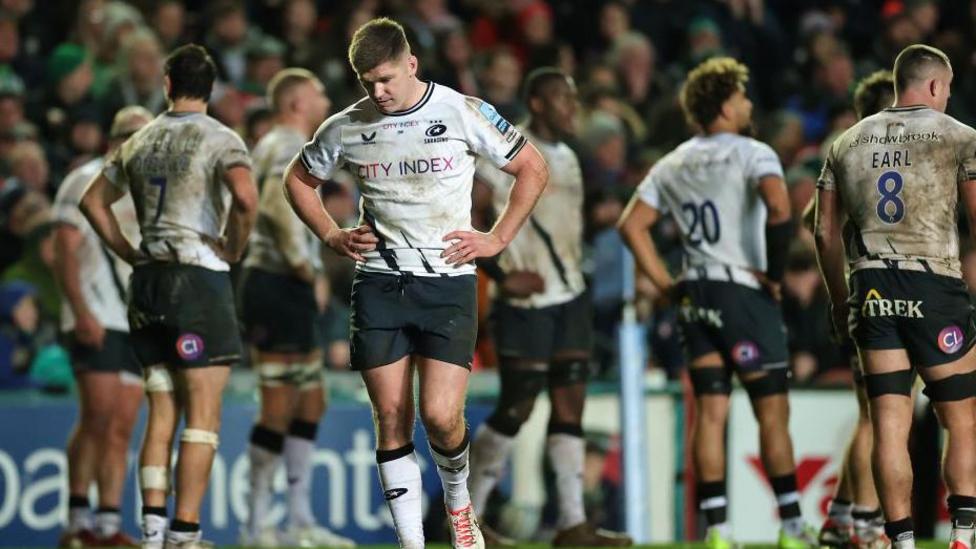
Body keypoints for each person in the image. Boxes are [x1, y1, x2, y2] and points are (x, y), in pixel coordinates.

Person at [282, 17, 548, 549]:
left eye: (385, 79)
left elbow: (532, 168)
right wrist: (332, 234)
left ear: (411, 64)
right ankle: (412, 542)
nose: (377, 91)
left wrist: (496, 238)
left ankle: (459, 504)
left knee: (442, 417)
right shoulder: (347, 125)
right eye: (367, 82)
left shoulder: (461, 110)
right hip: (379, 284)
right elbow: (298, 178)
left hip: (447, 282)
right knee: (391, 416)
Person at [617, 57, 815, 549]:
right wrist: (773, 276)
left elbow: (631, 225)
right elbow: (780, 208)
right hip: (742, 292)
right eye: (742, 96)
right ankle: (792, 528)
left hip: (695, 293)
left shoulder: (673, 162)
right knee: (771, 411)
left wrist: (667, 285)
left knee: (710, 413)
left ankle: (718, 532)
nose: (748, 104)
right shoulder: (754, 152)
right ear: (726, 105)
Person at [80, 44, 257, 548]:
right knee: (201, 416)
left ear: (166, 85)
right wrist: (234, 247)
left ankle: (153, 531)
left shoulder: (138, 140)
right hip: (196, 283)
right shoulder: (220, 137)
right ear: (212, 87)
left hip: (148, 285)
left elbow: (93, 202)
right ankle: (185, 532)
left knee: (161, 411)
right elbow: (246, 198)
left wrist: (127, 250)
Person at [814, 44, 976, 549]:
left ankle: (900, 541)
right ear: (934, 85)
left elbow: (822, 232)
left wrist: (840, 301)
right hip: (934, 284)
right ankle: (963, 535)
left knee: (888, 422)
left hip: (872, 288)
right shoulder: (959, 136)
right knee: (961, 418)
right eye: (946, 89)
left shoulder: (846, 142)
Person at [466, 67, 631, 548]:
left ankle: (572, 524)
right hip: (526, 301)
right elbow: (469, 211)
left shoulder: (572, 158)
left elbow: (563, 225)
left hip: (570, 295)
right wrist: (499, 274)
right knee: (518, 405)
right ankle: (467, 519)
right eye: (562, 98)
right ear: (537, 103)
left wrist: (598, 224)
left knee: (570, 404)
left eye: (574, 97)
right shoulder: (505, 146)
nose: (572, 107)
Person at [239, 67, 354, 548]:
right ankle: (255, 526)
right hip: (277, 284)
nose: (325, 99)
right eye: (317, 92)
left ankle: (298, 521)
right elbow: (273, 205)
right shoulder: (286, 144)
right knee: (279, 405)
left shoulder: (279, 144)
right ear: (295, 103)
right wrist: (305, 267)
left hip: (285, 286)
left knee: (310, 401)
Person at [53, 105, 152, 548]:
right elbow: (64, 249)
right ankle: (77, 522)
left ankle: (108, 525)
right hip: (95, 312)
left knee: (121, 426)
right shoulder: (84, 179)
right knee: (97, 416)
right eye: (132, 135)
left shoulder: (150, 188)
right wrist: (80, 310)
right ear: (113, 139)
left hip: (134, 318)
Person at [816, 70, 895, 549]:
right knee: (881, 417)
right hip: (879, 296)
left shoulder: (845, 154)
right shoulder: (877, 157)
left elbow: (814, 220)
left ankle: (840, 518)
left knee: (871, 414)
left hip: (859, 296)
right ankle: (865, 526)